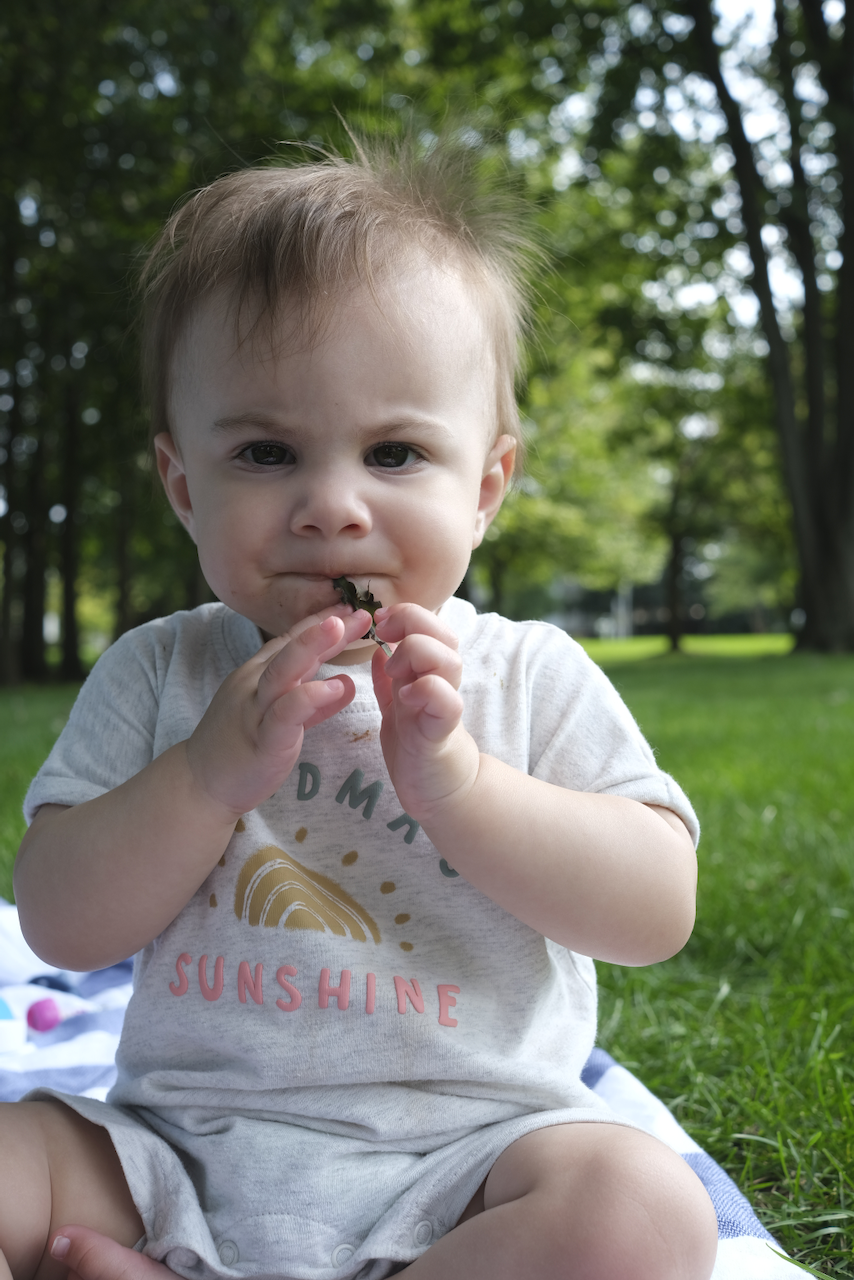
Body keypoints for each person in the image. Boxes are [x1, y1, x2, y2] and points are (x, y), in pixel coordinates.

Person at [4, 137, 718, 1280]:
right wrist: (199, 776)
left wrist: (464, 787)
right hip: (175, 1151)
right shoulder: (159, 671)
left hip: (462, 1162)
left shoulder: (528, 674)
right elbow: (59, 922)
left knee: (641, 1211)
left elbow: (653, 909)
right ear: (184, 484)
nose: (330, 507)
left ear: (482, 487)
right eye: (265, 451)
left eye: (392, 451)